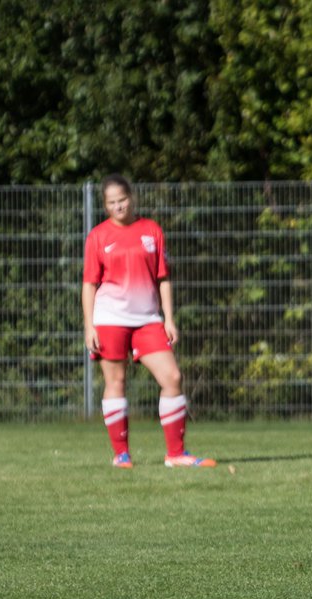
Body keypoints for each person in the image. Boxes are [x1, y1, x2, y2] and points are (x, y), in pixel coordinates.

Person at [81, 174, 215, 469]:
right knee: (116, 382)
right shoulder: (98, 236)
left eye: (123, 200)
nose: (118, 206)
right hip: (109, 319)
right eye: (112, 202)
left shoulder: (151, 230)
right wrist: (89, 325)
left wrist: (169, 317)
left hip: (147, 320)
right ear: (105, 205)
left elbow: (162, 277)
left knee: (173, 378)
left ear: (132, 198)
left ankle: (176, 454)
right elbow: (89, 283)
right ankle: (122, 455)